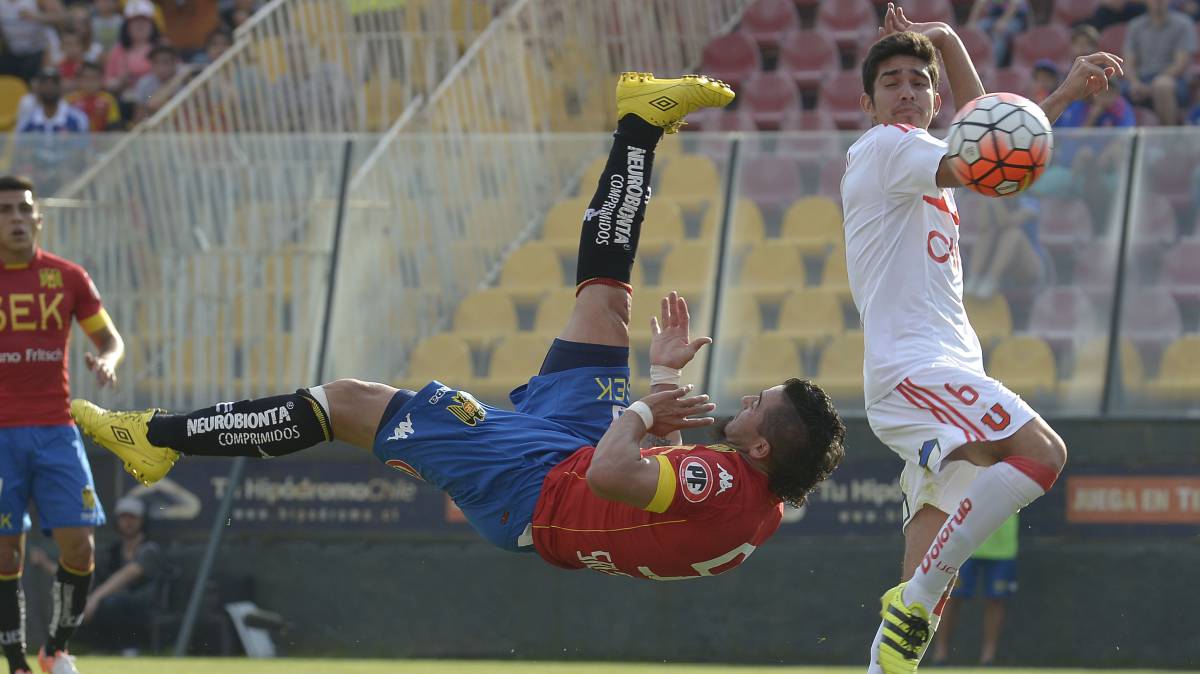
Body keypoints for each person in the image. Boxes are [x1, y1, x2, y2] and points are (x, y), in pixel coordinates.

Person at [73, 73, 846, 583]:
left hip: (537, 492)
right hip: (578, 456)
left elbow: (618, 474)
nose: (746, 400)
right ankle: (640, 123)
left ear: (763, 446)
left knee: (347, 401)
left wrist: (647, 404)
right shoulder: (758, 501)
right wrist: (665, 375)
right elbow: (657, 488)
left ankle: (157, 436)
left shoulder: (729, 482)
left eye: (759, 405)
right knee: (605, 303)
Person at [842, 5, 1122, 672]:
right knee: (1042, 454)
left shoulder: (921, 161)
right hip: (917, 371)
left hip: (935, 372)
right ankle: (916, 597)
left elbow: (993, 137)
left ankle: (898, 635)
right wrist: (1057, 94)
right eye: (891, 82)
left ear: (936, 100)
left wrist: (946, 40)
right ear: (868, 103)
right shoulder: (887, 148)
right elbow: (989, 147)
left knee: (918, 598)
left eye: (920, 82)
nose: (907, 92)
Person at [0, 174, 126, 674]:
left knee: (80, 544)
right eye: (4, 210)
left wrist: (108, 361)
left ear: (38, 219)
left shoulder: (68, 277)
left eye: (22, 209)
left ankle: (54, 649)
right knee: (6, 554)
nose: (15, 218)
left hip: (56, 429)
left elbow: (109, 339)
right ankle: (16, 661)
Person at [930, 514, 1019, 667]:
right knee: (951, 597)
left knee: (996, 600)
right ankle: (940, 653)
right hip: (965, 541)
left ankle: (988, 658)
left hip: (1002, 546)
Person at [1122, 0, 1196, 126]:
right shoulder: (1135, 25)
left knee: (1162, 85)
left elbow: (1181, 64)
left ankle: (1168, 136)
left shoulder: (1183, 24)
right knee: (1107, 88)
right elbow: (1128, 63)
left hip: (1175, 81)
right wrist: (1135, 83)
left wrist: (1151, 86)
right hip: (1141, 80)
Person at [966, 0, 1029, 67]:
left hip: (1015, 18)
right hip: (995, 17)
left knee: (999, 34)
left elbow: (1014, 5)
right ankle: (971, 64)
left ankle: (994, 66)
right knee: (977, 30)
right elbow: (980, 2)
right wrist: (972, 22)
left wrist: (1003, 22)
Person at [65, 62, 122, 132]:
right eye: (87, 78)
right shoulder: (70, 100)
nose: (90, 82)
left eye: (94, 78)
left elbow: (114, 126)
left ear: (101, 80)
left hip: (102, 138)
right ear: (79, 80)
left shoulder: (108, 100)